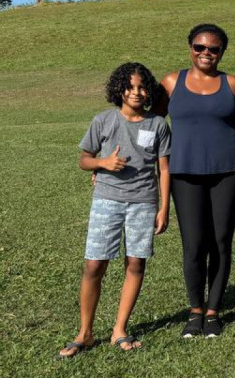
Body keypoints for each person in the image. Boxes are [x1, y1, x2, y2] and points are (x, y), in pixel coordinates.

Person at [60, 63, 171, 358]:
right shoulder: (104, 120)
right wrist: (102, 164)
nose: (136, 92)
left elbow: (164, 168)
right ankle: (85, 332)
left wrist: (164, 208)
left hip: (143, 202)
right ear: (119, 89)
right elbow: (85, 159)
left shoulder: (158, 124)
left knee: (136, 263)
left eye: (142, 87)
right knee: (94, 264)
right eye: (130, 86)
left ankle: (119, 329)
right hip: (106, 200)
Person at [161, 24, 235, 339]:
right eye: (200, 47)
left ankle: (213, 311)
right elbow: (152, 125)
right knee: (194, 243)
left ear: (222, 51)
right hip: (185, 174)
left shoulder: (233, 84)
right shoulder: (172, 82)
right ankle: (195, 310)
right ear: (190, 48)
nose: (206, 53)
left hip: (229, 172)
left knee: (220, 241)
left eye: (213, 49)